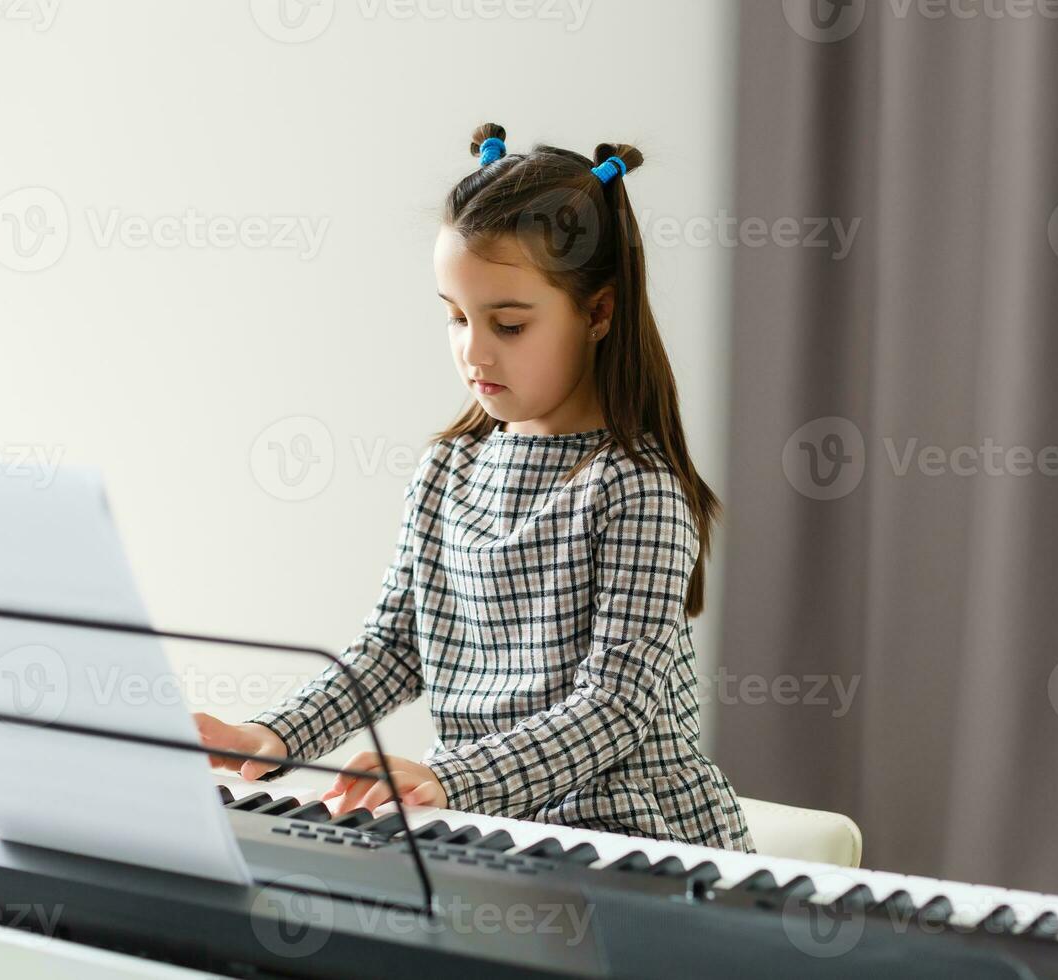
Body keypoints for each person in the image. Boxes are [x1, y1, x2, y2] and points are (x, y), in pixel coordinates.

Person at [195, 123, 754, 852]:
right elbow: (396, 648)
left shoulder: (637, 489)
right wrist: (268, 735)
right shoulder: (447, 470)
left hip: (636, 839)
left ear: (598, 313)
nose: (473, 350)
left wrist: (450, 777)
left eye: (510, 325)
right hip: (497, 829)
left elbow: (615, 707)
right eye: (456, 317)